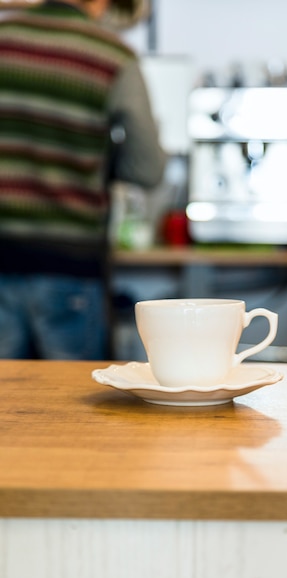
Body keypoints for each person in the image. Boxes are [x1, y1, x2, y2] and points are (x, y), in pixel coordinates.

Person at [0, 0, 166, 359]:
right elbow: (148, 167)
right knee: (74, 405)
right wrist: (100, 155)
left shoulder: (5, 38)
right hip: (69, 262)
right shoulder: (112, 56)